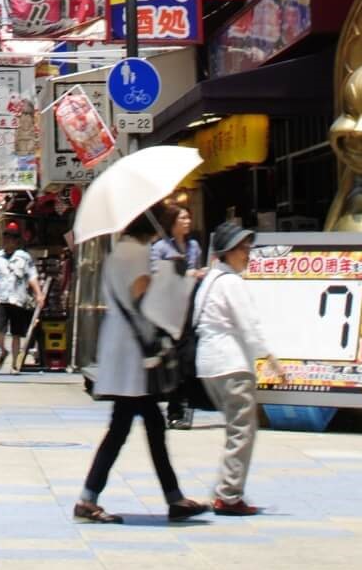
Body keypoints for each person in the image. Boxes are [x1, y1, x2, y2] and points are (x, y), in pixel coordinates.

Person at [75, 210, 207, 526]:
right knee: (129, 428)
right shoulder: (136, 252)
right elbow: (141, 294)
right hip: (133, 353)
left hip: (125, 350)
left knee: (146, 425)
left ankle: (173, 498)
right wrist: (174, 279)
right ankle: (89, 499)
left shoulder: (119, 250)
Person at [194, 220, 282, 517]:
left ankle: (227, 490)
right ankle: (229, 495)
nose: (248, 254)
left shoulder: (210, 280)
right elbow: (248, 325)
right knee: (242, 431)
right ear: (228, 251)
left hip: (208, 364)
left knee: (236, 429)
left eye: (248, 247)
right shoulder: (231, 282)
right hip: (230, 364)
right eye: (242, 248)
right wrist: (269, 357)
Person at [150, 205, 204, 428]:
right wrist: (182, 272)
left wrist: (199, 274)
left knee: (188, 360)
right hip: (168, 310)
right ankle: (174, 410)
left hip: (189, 309)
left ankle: (186, 407)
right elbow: (156, 276)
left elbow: (197, 271)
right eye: (183, 217)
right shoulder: (160, 248)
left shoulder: (194, 247)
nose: (187, 221)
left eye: (189, 217)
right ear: (172, 221)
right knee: (172, 362)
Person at [0, 223, 38, 372]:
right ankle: (3, 350)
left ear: (16, 241)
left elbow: (32, 276)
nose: (7, 241)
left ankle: (15, 363)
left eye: (11, 238)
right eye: (5, 238)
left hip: (18, 299)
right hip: (0, 298)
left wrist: (39, 293)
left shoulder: (24, 257)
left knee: (16, 334)